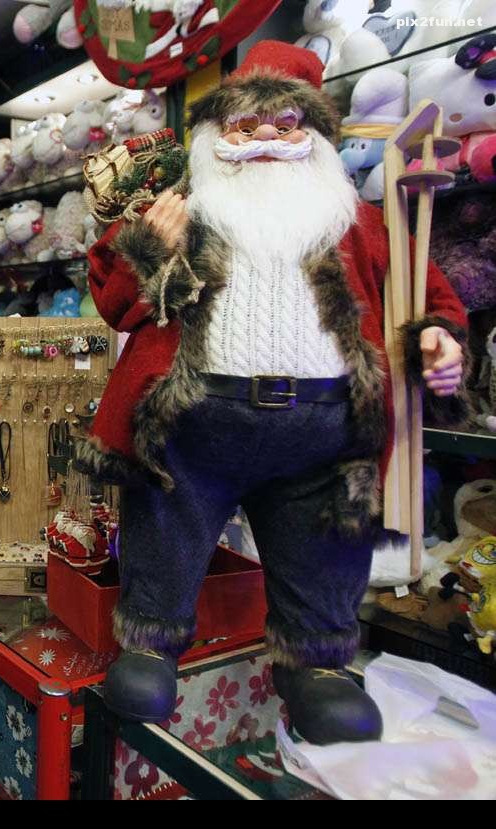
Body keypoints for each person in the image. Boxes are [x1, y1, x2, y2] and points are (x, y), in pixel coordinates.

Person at [78, 42, 468, 744]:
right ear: (215, 134)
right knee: (165, 525)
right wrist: (148, 245)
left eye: (285, 124)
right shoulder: (181, 212)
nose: (263, 137)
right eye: (243, 124)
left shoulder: (360, 226)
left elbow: (423, 295)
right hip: (194, 428)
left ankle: (316, 666)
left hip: (322, 438)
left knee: (324, 548)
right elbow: (114, 304)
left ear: (315, 137)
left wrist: (437, 338)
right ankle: (150, 644)